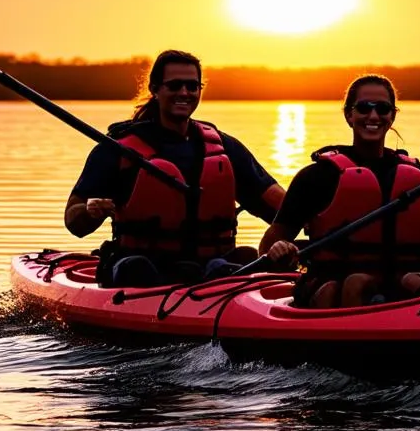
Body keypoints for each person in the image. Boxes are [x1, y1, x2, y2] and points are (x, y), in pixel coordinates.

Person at [259, 74, 420, 308]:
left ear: (392, 116)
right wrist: (280, 250)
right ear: (349, 115)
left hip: (402, 285)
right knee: (358, 284)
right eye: (364, 108)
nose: (373, 116)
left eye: (383, 108)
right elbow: (267, 249)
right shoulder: (316, 177)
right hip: (333, 288)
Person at [64, 49, 285, 287]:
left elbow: (285, 211)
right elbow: (74, 222)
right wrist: (89, 211)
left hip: (213, 271)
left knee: (240, 260)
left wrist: (295, 238)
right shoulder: (118, 150)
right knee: (135, 267)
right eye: (175, 85)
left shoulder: (225, 148)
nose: (184, 93)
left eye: (192, 86)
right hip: (142, 270)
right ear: (155, 89)